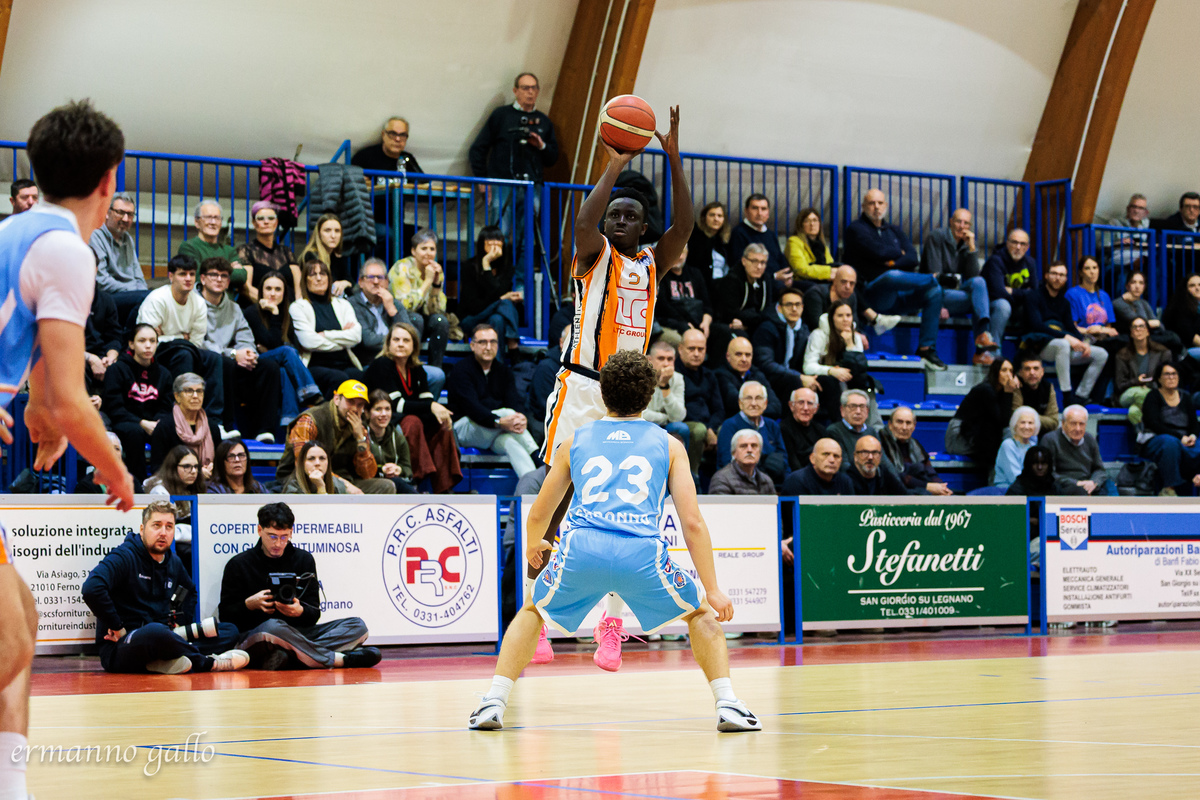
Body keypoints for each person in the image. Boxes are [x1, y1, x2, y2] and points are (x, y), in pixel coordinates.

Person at [468, 350, 760, 732]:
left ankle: (493, 701)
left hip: (582, 549)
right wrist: (713, 588)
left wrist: (533, 545)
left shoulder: (574, 441)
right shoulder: (670, 445)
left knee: (531, 611)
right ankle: (728, 705)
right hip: (641, 553)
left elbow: (539, 512)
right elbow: (692, 523)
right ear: (650, 395)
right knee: (701, 615)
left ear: (602, 393)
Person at [0, 99, 136, 800]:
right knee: (9, 641)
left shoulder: (17, 232)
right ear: (110, 179)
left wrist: (35, 407)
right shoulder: (67, 250)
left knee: (21, 621)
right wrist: (118, 473)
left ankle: (12, 787)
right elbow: (72, 402)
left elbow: (41, 380)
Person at [534, 108, 695, 668]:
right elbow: (582, 222)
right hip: (581, 387)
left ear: (644, 227)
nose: (620, 220)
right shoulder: (593, 254)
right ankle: (538, 618)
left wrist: (673, 159)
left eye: (631, 216)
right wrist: (613, 165)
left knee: (620, 514)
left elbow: (684, 228)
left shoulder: (653, 262)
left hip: (626, 397)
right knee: (556, 503)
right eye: (615, 214)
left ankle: (610, 623)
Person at [80, 500, 247, 674]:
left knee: (229, 631)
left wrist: (180, 622)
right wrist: (117, 626)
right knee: (156, 632)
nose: (163, 532)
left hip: (164, 637)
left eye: (169, 527)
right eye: (156, 525)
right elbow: (92, 588)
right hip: (123, 646)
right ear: (142, 529)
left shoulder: (172, 561)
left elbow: (189, 591)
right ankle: (208, 663)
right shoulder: (124, 556)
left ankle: (163, 661)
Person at [219, 502, 381, 669]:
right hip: (261, 635)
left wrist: (300, 611)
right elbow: (225, 617)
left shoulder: (304, 560)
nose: (278, 544)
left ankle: (293, 657)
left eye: (284, 537)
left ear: (291, 532)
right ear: (260, 530)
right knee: (272, 627)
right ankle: (339, 660)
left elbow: (314, 612)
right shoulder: (239, 564)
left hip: (299, 633)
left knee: (357, 626)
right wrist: (248, 605)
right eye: (272, 536)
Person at [842, 189, 945, 369]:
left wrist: (890, 261)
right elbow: (877, 252)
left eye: (880, 203)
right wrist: (897, 254)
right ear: (863, 206)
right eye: (872, 203)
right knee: (892, 276)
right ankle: (935, 278)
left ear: (886, 205)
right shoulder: (856, 229)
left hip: (897, 297)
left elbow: (912, 257)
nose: (876, 207)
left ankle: (926, 348)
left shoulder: (894, 230)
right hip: (872, 294)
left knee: (935, 292)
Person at [363, 322, 461, 493]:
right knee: (412, 422)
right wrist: (431, 406)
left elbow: (426, 400)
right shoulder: (382, 365)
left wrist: (440, 414)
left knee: (440, 424)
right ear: (389, 343)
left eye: (406, 340)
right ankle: (413, 481)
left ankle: (445, 488)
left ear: (414, 345)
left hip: (406, 417)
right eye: (396, 340)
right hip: (382, 419)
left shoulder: (416, 369)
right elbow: (396, 405)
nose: (401, 344)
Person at [137, 253, 226, 431]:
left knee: (214, 358)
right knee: (184, 354)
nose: (188, 279)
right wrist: (180, 337)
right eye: (182, 274)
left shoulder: (199, 303)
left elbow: (196, 341)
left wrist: (168, 335)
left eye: (192, 274)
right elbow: (149, 340)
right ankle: (183, 418)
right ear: (171, 276)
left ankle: (214, 423)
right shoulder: (157, 299)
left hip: (187, 349)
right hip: (156, 353)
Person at [198, 257, 283, 441]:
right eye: (214, 275)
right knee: (225, 363)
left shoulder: (234, 308)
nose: (219, 279)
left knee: (269, 367)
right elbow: (198, 342)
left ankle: (264, 431)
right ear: (203, 279)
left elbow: (245, 336)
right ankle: (226, 426)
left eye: (224, 276)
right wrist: (233, 353)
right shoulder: (193, 304)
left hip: (232, 361)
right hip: (207, 363)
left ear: (229, 281)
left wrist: (248, 353)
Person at [468, 72, 559, 242]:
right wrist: (483, 180)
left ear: (538, 91)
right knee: (498, 234)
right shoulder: (501, 115)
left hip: (532, 186)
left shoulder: (543, 121)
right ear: (515, 91)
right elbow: (477, 149)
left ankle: (521, 262)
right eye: (525, 88)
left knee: (527, 237)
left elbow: (552, 158)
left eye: (534, 88)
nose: (530, 92)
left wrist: (541, 145)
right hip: (501, 184)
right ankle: (496, 261)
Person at [447, 324, 539, 478]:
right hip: (464, 428)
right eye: (483, 342)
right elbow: (472, 408)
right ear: (472, 345)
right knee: (508, 413)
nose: (488, 347)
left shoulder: (503, 371)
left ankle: (532, 483)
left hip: (494, 430)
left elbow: (514, 401)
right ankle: (538, 457)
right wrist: (499, 422)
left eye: (493, 342)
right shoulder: (461, 370)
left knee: (510, 442)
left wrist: (521, 417)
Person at [276, 379, 394, 494]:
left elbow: (367, 474)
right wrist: (345, 485)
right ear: (337, 399)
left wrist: (360, 439)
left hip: (342, 479)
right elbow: (306, 466)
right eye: (350, 402)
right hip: (303, 480)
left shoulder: (359, 428)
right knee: (335, 487)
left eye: (360, 405)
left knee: (386, 487)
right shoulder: (310, 421)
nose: (354, 409)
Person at [244, 270, 324, 425]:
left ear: (284, 293)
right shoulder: (252, 312)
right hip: (256, 363)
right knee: (286, 352)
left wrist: (273, 346)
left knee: (284, 370)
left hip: (276, 364)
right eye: (268, 289)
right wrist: (274, 313)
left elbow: (288, 346)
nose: (273, 293)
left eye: (278, 289)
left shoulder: (288, 314)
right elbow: (274, 343)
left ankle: (290, 420)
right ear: (261, 291)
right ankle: (310, 392)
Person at [1024, 261, 1108, 405]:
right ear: (1046, 276)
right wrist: (1066, 337)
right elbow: (1036, 326)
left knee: (1101, 354)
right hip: (1039, 346)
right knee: (1063, 344)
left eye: (1062, 275)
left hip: (1062, 349)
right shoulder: (1033, 296)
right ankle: (1067, 395)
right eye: (1054, 274)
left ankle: (1081, 395)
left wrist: (1083, 342)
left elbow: (1071, 328)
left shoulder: (1064, 302)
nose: (1058, 278)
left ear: (1066, 279)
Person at [922, 208, 999, 364]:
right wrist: (939, 305)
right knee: (979, 300)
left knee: (979, 282)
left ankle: (983, 336)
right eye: (958, 221)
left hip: (955, 295)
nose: (962, 226)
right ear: (951, 222)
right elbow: (934, 275)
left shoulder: (968, 241)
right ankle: (980, 352)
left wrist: (971, 248)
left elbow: (973, 277)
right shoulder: (936, 237)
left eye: (966, 223)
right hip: (933, 295)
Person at [102, 323, 173, 481]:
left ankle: (162, 480)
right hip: (125, 422)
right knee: (134, 432)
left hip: (153, 423)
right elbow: (114, 407)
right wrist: (141, 422)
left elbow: (166, 407)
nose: (148, 345)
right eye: (142, 340)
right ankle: (138, 483)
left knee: (168, 428)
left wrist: (157, 423)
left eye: (152, 341)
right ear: (131, 344)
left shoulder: (164, 374)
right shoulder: (117, 369)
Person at [291, 256, 364, 397]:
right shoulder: (298, 307)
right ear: (305, 280)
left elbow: (356, 336)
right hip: (315, 365)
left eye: (323, 274)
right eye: (313, 274)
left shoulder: (343, 304)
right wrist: (343, 338)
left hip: (344, 362)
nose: (319, 278)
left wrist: (325, 335)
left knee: (359, 378)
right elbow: (309, 342)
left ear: (329, 278)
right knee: (340, 379)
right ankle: (328, 411)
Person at [944, 358, 1020, 472]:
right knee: (997, 437)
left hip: (977, 435)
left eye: (1011, 371)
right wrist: (1009, 392)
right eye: (1004, 370)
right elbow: (1002, 421)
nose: (1008, 375)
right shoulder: (986, 390)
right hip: (958, 436)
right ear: (995, 372)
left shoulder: (1000, 392)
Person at [388, 228, 450, 367]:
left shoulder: (436, 271)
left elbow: (437, 311)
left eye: (432, 249)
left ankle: (436, 368)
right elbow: (405, 306)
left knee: (441, 321)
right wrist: (427, 282)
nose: (428, 253)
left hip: (422, 318)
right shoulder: (402, 268)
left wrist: (436, 285)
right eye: (423, 248)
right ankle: (411, 365)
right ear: (413, 251)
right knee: (417, 318)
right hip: (399, 319)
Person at [804, 301, 872, 424]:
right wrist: (831, 371)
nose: (845, 319)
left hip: (848, 380)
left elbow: (859, 368)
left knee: (865, 382)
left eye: (848, 315)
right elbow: (808, 366)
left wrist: (850, 345)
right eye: (840, 316)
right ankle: (840, 423)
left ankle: (870, 426)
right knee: (831, 381)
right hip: (826, 381)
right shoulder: (819, 335)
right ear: (832, 318)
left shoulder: (855, 337)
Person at [458, 226, 523, 349]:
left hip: (495, 316)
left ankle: (497, 361)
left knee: (497, 319)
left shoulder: (507, 268)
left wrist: (500, 299)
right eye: (490, 242)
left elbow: (499, 293)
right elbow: (473, 306)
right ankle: (513, 346)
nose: (494, 246)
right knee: (505, 303)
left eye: (498, 241)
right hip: (472, 318)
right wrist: (486, 264)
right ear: (482, 244)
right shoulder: (469, 267)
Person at [89, 191, 150, 322]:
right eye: (120, 212)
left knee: (156, 297)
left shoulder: (128, 239)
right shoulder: (96, 237)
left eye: (130, 214)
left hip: (130, 295)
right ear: (107, 212)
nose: (126, 219)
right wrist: (133, 291)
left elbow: (139, 276)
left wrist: (142, 292)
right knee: (145, 298)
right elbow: (101, 281)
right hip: (107, 297)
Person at [1141, 362, 1200, 496]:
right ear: (1159, 378)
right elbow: (1153, 424)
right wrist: (1180, 438)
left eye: (1174, 374)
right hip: (1157, 438)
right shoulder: (1153, 396)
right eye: (1167, 374)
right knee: (1170, 443)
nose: (1171, 377)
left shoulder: (1186, 397)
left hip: (1184, 439)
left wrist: (1192, 436)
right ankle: (1169, 488)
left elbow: (1194, 423)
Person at [715, 381, 787, 485]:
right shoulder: (729, 426)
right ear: (740, 403)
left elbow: (784, 461)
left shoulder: (772, 425)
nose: (753, 403)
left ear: (765, 403)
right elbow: (727, 462)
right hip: (737, 484)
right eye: (748, 398)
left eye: (758, 398)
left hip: (771, 484)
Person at [752, 286, 816, 401]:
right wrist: (799, 376)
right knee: (794, 381)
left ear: (802, 307)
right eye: (789, 305)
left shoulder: (804, 330)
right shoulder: (767, 328)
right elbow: (765, 364)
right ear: (779, 308)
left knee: (823, 380)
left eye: (798, 305)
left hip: (792, 375)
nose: (794, 309)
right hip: (769, 378)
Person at [677, 329, 725, 478]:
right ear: (680, 349)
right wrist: (707, 429)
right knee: (699, 430)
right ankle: (692, 476)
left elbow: (719, 409)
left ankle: (724, 475)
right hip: (685, 422)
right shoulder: (674, 374)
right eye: (691, 349)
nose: (696, 354)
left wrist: (711, 428)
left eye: (700, 349)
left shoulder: (709, 375)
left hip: (708, 425)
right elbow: (680, 409)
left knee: (727, 429)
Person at [1041, 405, 1119, 496]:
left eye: (1081, 424)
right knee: (1077, 491)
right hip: (1064, 485)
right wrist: (1076, 483)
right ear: (1063, 423)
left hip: (1088, 484)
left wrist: (1093, 482)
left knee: (1109, 488)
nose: (1078, 428)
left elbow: (1100, 469)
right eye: (1073, 424)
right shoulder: (1050, 440)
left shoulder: (1089, 439)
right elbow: (1049, 474)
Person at [803, 264, 898, 337]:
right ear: (834, 281)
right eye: (843, 282)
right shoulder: (815, 294)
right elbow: (817, 326)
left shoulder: (851, 297)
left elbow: (854, 325)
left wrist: (859, 336)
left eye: (852, 283)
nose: (848, 287)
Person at [149, 373, 215, 478]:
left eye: (199, 391)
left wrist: (214, 467)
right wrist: (196, 473)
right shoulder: (165, 427)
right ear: (177, 396)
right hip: (174, 484)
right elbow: (157, 468)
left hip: (208, 483)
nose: (195, 396)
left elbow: (221, 463)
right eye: (189, 391)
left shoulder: (212, 426)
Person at [1065, 255, 1124, 373]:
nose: (1092, 272)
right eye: (1087, 268)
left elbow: (1109, 326)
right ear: (1081, 273)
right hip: (1084, 339)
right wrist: (1090, 330)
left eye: (1095, 268)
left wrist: (1101, 330)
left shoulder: (1104, 295)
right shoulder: (1073, 294)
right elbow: (1071, 327)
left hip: (1103, 339)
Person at [236, 200, 301, 303]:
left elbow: (299, 288)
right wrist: (271, 305)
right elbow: (246, 288)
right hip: (258, 307)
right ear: (254, 223)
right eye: (260, 218)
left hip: (288, 309)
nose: (266, 222)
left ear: (276, 223)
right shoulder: (245, 251)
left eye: (271, 218)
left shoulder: (287, 252)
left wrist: (296, 308)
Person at [177, 199, 246, 296]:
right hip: (200, 302)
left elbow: (241, 277)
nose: (213, 222)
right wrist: (229, 269)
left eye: (217, 218)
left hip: (227, 303)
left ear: (221, 223)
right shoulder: (188, 247)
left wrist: (208, 272)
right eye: (208, 217)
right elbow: (196, 276)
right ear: (197, 222)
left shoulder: (229, 251)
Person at [880, 406, 951, 495]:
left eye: (908, 423)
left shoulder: (915, 444)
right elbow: (893, 475)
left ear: (914, 426)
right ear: (890, 424)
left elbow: (930, 471)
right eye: (900, 422)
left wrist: (941, 487)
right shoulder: (882, 442)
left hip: (921, 489)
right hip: (896, 491)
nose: (904, 427)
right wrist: (926, 486)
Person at [1114, 318, 1171, 425]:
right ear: (1131, 333)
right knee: (1141, 394)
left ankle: (1143, 432)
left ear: (1148, 331)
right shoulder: (1122, 355)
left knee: (1134, 411)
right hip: (1129, 393)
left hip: (1153, 390)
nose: (1138, 329)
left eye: (1141, 326)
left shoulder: (1161, 352)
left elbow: (1166, 378)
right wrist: (1137, 381)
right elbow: (1120, 385)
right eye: (1135, 327)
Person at [712, 243, 776, 338]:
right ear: (744, 261)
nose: (759, 266)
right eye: (754, 261)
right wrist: (754, 320)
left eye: (763, 262)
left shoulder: (766, 279)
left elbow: (768, 310)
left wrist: (748, 325)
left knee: (770, 329)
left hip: (750, 323)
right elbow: (730, 313)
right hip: (730, 323)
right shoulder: (732, 280)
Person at [657, 244, 713, 347]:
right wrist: (684, 323)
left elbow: (707, 305)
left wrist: (706, 322)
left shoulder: (695, 273)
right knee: (684, 336)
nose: (677, 256)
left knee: (721, 332)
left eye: (680, 252)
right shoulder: (660, 275)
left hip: (697, 320)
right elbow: (663, 307)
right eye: (673, 252)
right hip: (670, 321)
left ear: (687, 253)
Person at [714, 336, 782, 419]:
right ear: (728, 356)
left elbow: (776, 406)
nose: (744, 359)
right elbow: (735, 402)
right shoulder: (720, 375)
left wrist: (753, 410)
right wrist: (760, 407)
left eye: (748, 355)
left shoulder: (757, 375)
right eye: (738, 354)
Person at [1114, 270, 1180, 353]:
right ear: (1127, 286)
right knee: (1172, 339)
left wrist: (1156, 323)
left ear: (1144, 287)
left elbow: (1160, 326)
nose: (1137, 286)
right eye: (1133, 282)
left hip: (1148, 336)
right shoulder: (1118, 303)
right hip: (1130, 338)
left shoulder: (1144, 303)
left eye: (1141, 283)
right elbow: (1140, 322)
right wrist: (1136, 302)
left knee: (1171, 336)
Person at [727, 194, 787, 281]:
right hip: (758, 282)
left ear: (768, 213)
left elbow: (780, 259)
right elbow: (739, 267)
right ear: (746, 211)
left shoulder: (770, 234)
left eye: (763, 209)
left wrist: (787, 275)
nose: (759, 213)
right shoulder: (738, 233)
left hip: (779, 280)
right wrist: (774, 276)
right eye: (755, 208)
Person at [366, 389, 416, 494]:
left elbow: (408, 469)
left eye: (387, 409)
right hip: (369, 481)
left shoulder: (398, 437)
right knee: (396, 484)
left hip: (395, 482)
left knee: (399, 483)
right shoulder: (361, 435)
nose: (384, 414)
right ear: (367, 413)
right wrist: (382, 470)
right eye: (378, 409)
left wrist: (398, 469)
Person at [644, 339, 689, 446]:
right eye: (661, 358)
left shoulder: (677, 378)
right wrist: (666, 418)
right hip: (647, 423)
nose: (666, 364)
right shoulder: (641, 378)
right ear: (649, 360)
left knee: (682, 428)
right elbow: (642, 414)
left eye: (670, 359)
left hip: (668, 425)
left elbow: (679, 416)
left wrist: (665, 386)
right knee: (652, 427)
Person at [300, 213, 353, 296]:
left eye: (337, 231)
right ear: (319, 234)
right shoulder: (310, 256)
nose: (333, 236)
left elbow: (353, 286)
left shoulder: (337, 257)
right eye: (327, 230)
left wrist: (345, 283)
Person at [709, 429, 775, 495]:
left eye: (754, 446)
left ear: (760, 452)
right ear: (733, 453)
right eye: (743, 446)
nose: (749, 450)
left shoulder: (766, 481)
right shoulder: (721, 479)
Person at [779, 437, 854, 495]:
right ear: (812, 458)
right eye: (825, 454)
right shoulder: (796, 481)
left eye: (836, 456)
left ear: (841, 460)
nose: (832, 460)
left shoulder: (845, 482)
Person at [1005, 446, 1086, 497]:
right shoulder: (1017, 489)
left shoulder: (1054, 487)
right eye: (1035, 463)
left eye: (1043, 463)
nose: (1039, 467)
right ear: (1028, 465)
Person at [994, 406, 1041, 491]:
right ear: (1015, 425)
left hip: (1029, 489)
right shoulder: (1008, 445)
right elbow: (1014, 478)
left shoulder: (1034, 446)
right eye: (1023, 422)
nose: (1026, 427)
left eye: (1030, 423)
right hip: (1007, 490)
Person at [1011, 354, 1060, 434]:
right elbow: (1016, 418)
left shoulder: (1048, 387)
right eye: (1027, 369)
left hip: (1042, 433)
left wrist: (1029, 417)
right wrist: (1040, 419)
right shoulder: (1017, 386)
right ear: (1020, 373)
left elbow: (1054, 422)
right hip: (1020, 433)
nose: (1032, 372)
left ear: (1042, 372)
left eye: (1036, 368)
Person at [785, 207, 836, 283]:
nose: (812, 224)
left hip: (822, 280)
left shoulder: (822, 245)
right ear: (801, 225)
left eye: (815, 220)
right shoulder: (794, 241)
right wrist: (829, 272)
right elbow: (801, 269)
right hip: (803, 282)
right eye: (807, 221)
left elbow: (830, 264)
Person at [780, 387, 826, 471]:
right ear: (791, 406)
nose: (805, 408)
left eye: (810, 403)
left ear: (816, 408)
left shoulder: (821, 430)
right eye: (801, 403)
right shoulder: (783, 429)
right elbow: (793, 463)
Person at [685, 201, 730, 286]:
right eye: (712, 215)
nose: (716, 219)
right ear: (704, 217)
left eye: (719, 216)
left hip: (721, 285)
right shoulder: (695, 237)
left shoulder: (724, 242)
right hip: (699, 284)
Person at [282, 440, 346, 494]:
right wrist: (320, 486)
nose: (317, 463)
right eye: (311, 459)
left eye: (322, 458)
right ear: (302, 463)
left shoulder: (338, 486)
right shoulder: (292, 489)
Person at [1108, 193, 1152, 270]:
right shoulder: (1114, 223)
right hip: (1121, 260)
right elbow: (1102, 244)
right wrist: (1118, 242)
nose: (1136, 211)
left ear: (1146, 212)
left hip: (1144, 260)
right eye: (1134, 206)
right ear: (1128, 209)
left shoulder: (1148, 225)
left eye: (1141, 208)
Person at [1163, 273, 1200, 362]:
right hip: (1187, 350)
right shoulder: (1180, 307)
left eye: (1199, 285)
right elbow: (1190, 336)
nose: (1197, 288)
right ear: (1186, 289)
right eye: (1192, 285)